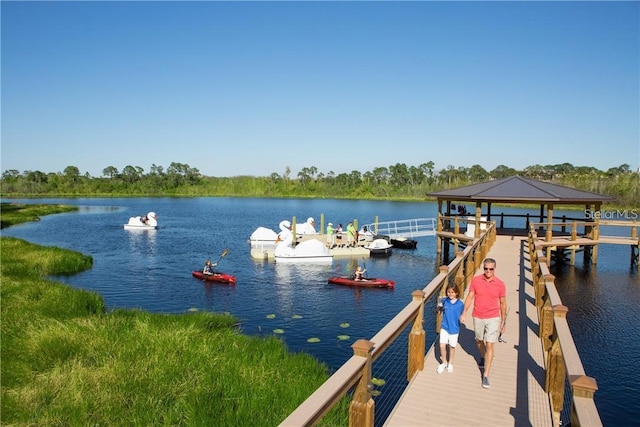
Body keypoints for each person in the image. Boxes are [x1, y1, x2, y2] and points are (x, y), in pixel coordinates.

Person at [461, 257, 507, 389]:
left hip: (493, 317)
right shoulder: (476, 281)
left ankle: (486, 375)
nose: (488, 271)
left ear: (494, 269)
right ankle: (483, 356)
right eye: (486, 269)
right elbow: (470, 297)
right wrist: (464, 312)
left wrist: (503, 321)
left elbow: (503, 303)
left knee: (490, 344)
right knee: (479, 340)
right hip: (478, 316)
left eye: (491, 269)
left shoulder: (500, 284)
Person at [436, 283, 465, 374]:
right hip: (445, 327)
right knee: (442, 345)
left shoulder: (460, 304)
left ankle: (450, 363)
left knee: (452, 346)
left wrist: (462, 317)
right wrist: (439, 307)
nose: (450, 294)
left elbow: (463, 313)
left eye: (452, 292)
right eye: (448, 292)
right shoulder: (445, 301)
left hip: (454, 329)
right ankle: (444, 362)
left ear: (456, 293)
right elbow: (439, 306)